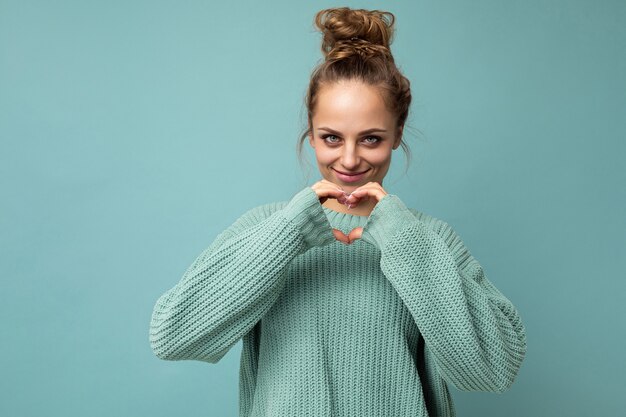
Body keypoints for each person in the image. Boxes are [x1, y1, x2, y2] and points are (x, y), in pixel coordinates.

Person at [149, 7, 526, 417]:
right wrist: (291, 231)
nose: (349, 159)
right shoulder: (266, 229)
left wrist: (401, 239)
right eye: (331, 137)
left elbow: (494, 370)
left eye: (371, 139)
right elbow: (173, 336)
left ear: (397, 136)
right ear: (310, 134)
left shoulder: (427, 237)